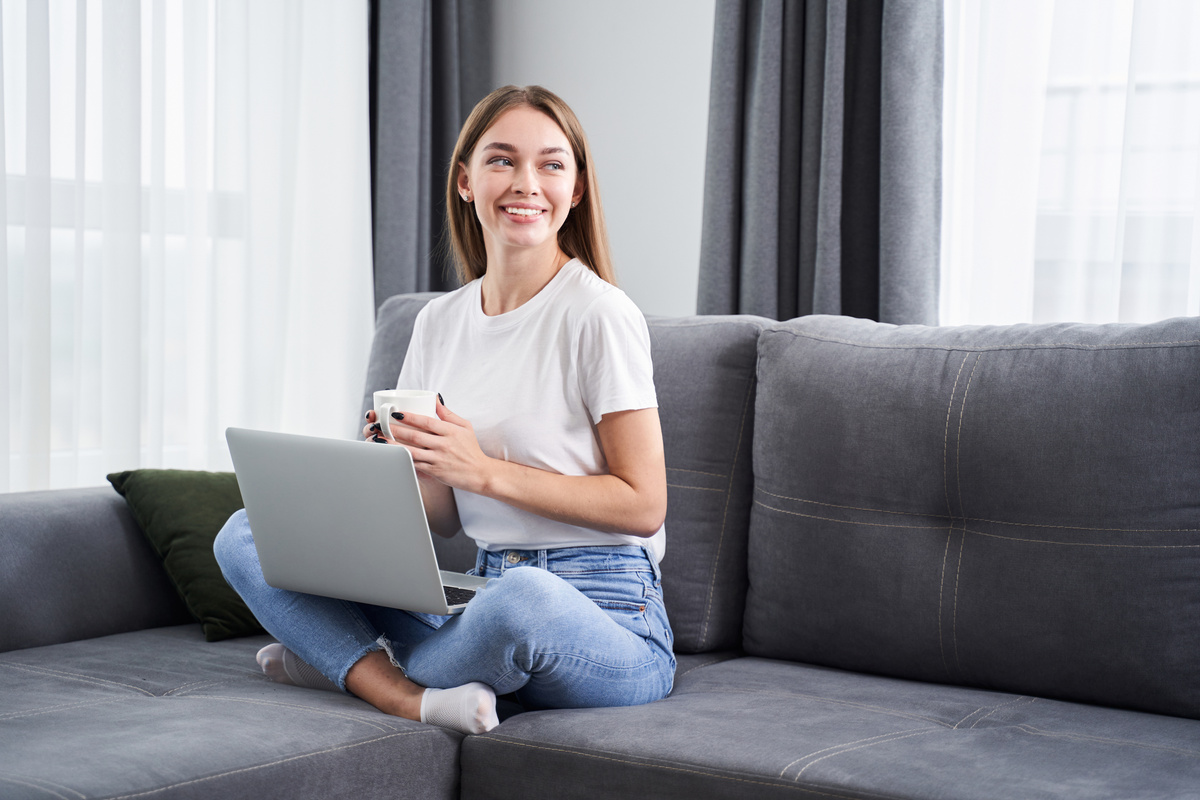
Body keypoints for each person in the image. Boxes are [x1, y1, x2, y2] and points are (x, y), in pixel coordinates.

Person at [213, 85, 675, 735]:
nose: (525, 183)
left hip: (604, 614)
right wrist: (392, 475)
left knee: (524, 601)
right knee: (243, 533)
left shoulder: (598, 315)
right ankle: (406, 695)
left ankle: (349, 662)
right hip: (474, 596)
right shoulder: (439, 322)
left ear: (575, 190)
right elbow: (443, 516)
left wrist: (481, 469)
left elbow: (643, 503)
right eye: (501, 160)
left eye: (550, 164)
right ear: (465, 180)